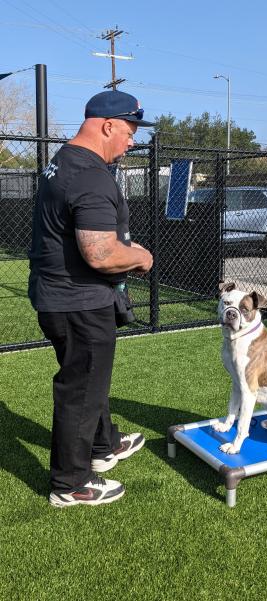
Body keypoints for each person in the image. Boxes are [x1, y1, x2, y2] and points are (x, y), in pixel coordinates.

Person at [28, 90, 154, 507]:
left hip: (60, 295)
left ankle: (103, 446)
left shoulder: (61, 161)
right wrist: (140, 256)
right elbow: (101, 253)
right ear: (108, 125)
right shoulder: (90, 174)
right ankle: (71, 483)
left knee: (90, 378)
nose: (132, 140)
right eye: (131, 130)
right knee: (80, 389)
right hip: (78, 301)